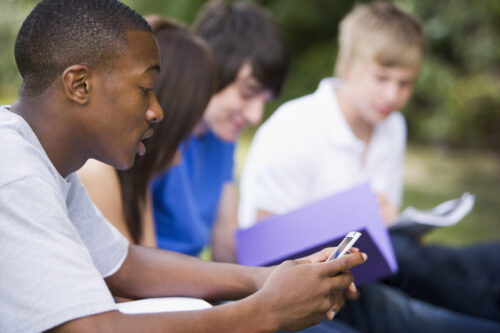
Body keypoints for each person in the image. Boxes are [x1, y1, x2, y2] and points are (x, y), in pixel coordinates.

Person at [0, 1, 367, 332]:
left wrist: (265, 278)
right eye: (145, 88)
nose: (156, 111)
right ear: (79, 85)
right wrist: (265, 311)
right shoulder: (15, 175)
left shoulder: (46, 164)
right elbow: (90, 329)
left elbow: (124, 265)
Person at [238, 1, 500, 331]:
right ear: (347, 67)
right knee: (418, 303)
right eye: (382, 78)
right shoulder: (293, 127)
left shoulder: (393, 128)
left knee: (436, 272)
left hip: (367, 273)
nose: (392, 95)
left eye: (405, 84)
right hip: (303, 286)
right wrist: (349, 218)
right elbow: (261, 244)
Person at [150, 0, 289, 262]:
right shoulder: (154, 131)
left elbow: (226, 245)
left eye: (265, 100)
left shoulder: (223, 139)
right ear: (210, 65)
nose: (255, 115)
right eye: (248, 92)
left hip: (192, 286)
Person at [78, 16, 216, 247]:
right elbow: (128, 279)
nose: (179, 156)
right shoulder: (94, 170)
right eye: (182, 134)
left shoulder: (136, 179)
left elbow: (149, 267)